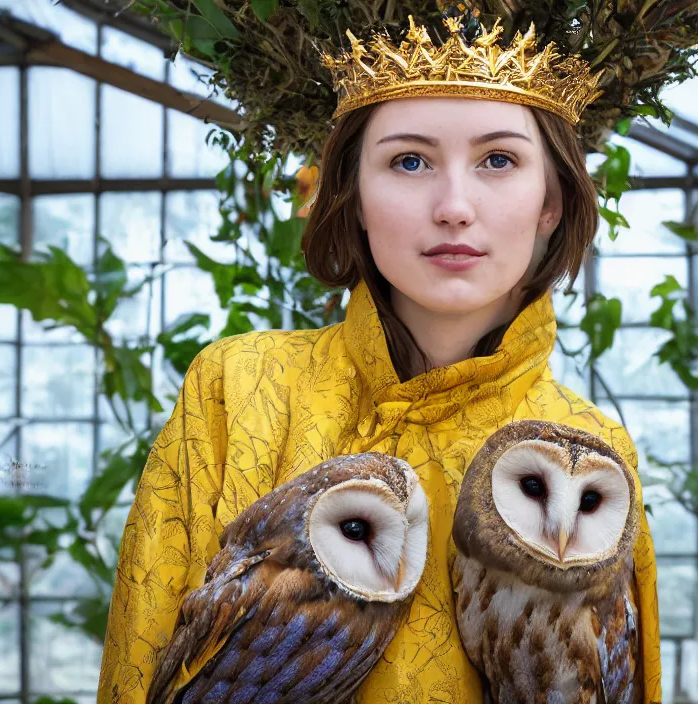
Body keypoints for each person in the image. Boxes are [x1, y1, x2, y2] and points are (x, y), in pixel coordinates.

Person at [97, 8, 671, 703]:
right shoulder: (239, 387)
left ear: (550, 200)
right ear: (356, 198)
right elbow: (142, 659)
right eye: (409, 160)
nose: (454, 206)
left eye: (499, 159)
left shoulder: (595, 451)